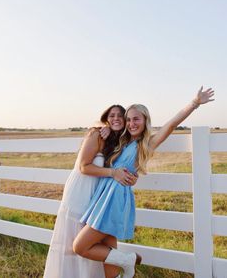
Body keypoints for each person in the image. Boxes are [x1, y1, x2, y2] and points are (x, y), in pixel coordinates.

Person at [73, 87, 215, 278]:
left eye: (136, 119)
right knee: (110, 262)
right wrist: (103, 126)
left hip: (115, 199)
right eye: (129, 119)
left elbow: (171, 124)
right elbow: (109, 125)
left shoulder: (146, 144)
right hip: (104, 197)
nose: (131, 123)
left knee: (80, 246)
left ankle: (128, 259)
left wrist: (194, 103)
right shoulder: (121, 142)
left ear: (145, 121)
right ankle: (124, 261)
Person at [43, 105, 137, 278]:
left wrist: (131, 177)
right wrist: (113, 173)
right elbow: (84, 166)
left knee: (100, 241)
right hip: (80, 192)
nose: (116, 118)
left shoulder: (118, 142)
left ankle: (119, 266)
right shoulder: (97, 134)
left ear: (125, 121)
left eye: (120, 116)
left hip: (99, 198)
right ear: (106, 118)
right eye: (111, 115)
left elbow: (127, 164)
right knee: (72, 242)